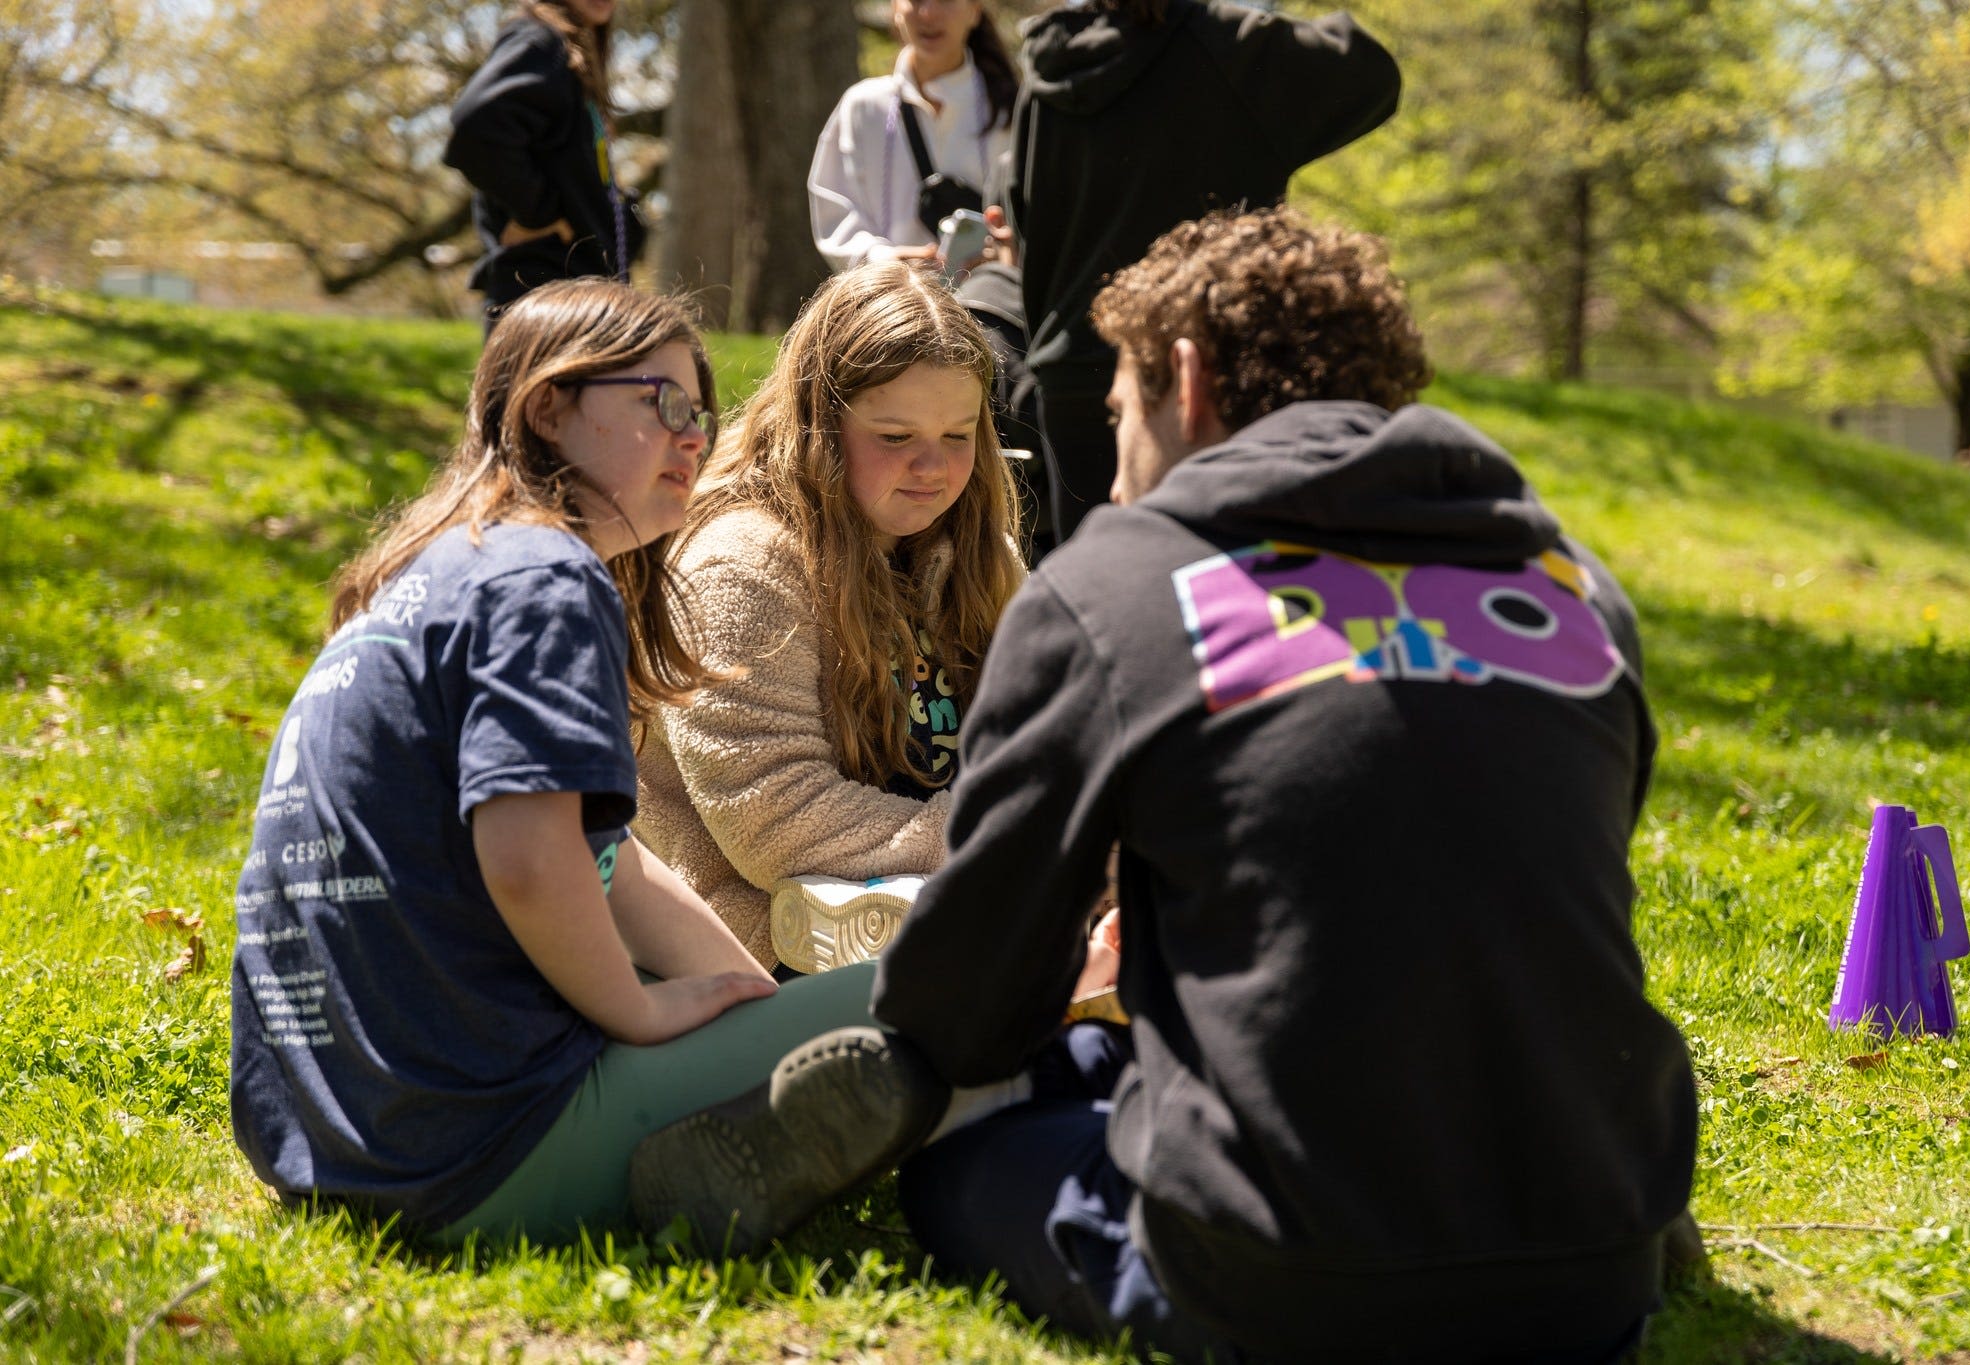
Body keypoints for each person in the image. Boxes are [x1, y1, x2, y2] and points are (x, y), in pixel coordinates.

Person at [640, 209, 1700, 1362]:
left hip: (1276, 1281)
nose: (1117, 455)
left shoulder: (1126, 585)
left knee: (967, 1145)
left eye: (1114, 411)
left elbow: (973, 990)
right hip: (1599, 1256)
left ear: (1182, 382)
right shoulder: (1576, 590)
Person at [228, 279, 886, 1245]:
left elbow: (605, 858)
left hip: (331, 1155)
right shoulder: (546, 575)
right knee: (961, 990)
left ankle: (735, 1142)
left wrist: (746, 1006)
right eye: (661, 402)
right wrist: (641, 1012)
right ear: (548, 407)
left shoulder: (429, 578)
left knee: (837, 1017)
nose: (695, 437)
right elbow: (532, 861)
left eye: (701, 413)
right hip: (487, 1152)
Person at [633, 263, 1026, 974]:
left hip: (951, 898)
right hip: (762, 951)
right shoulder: (738, 565)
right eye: (896, 437)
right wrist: (1006, 832)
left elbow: (1042, 734)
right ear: (819, 421)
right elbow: (775, 819)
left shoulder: (974, 550)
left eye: (959, 435)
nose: (933, 468)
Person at [1005, 0, 1401, 543]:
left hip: (1070, 376)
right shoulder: (1229, 47)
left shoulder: (1049, 66)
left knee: (1102, 597)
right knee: (1213, 593)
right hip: (1202, 383)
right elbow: (1369, 70)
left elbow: (1024, 217)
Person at [445, 0, 646, 331]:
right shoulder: (540, 41)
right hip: (543, 305)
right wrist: (539, 214)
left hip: (574, 301)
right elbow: (476, 129)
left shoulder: (569, 51)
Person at [808, 0, 1018, 272]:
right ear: (895, 9)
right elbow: (834, 211)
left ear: (975, 10)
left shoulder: (1009, 110)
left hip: (985, 307)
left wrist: (1003, 258)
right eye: (915, 0)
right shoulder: (863, 106)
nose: (928, 13)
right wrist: (879, 260)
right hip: (893, 307)